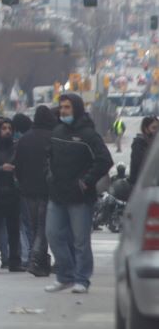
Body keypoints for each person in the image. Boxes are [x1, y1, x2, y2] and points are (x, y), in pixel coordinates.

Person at [44, 91, 112, 295]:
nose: (63, 111)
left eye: (67, 107)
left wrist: (86, 182)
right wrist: (48, 175)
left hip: (80, 197)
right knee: (53, 234)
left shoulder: (88, 134)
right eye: (62, 107)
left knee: (80, 240)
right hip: (57, 194)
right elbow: (49, 157)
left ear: (77, 109)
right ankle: (64, 276)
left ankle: (82, 279)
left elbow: (104, 160)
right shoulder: (57, 131)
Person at [16, 105, 56, 277]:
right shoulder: (53, 137)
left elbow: (18, 165)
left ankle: (40, 260)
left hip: (28, 190)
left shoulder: (25, 139)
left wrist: (23, 182)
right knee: (43, 227)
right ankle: (36, 260)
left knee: (34, 227)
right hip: (47, 190)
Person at [0, 116, 24, 273]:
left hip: (13, 193)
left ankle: (14, 260)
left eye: (9, 129)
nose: (7, 131)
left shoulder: (16, 148)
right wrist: (2, 168)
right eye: (4, 128)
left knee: (14, 230)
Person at [131, 116, 156, 184]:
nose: (157, 131)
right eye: (154, 128)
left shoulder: (154, 144)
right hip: (140, 186)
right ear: (145, 129)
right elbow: (141, 165)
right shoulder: (139, 144)